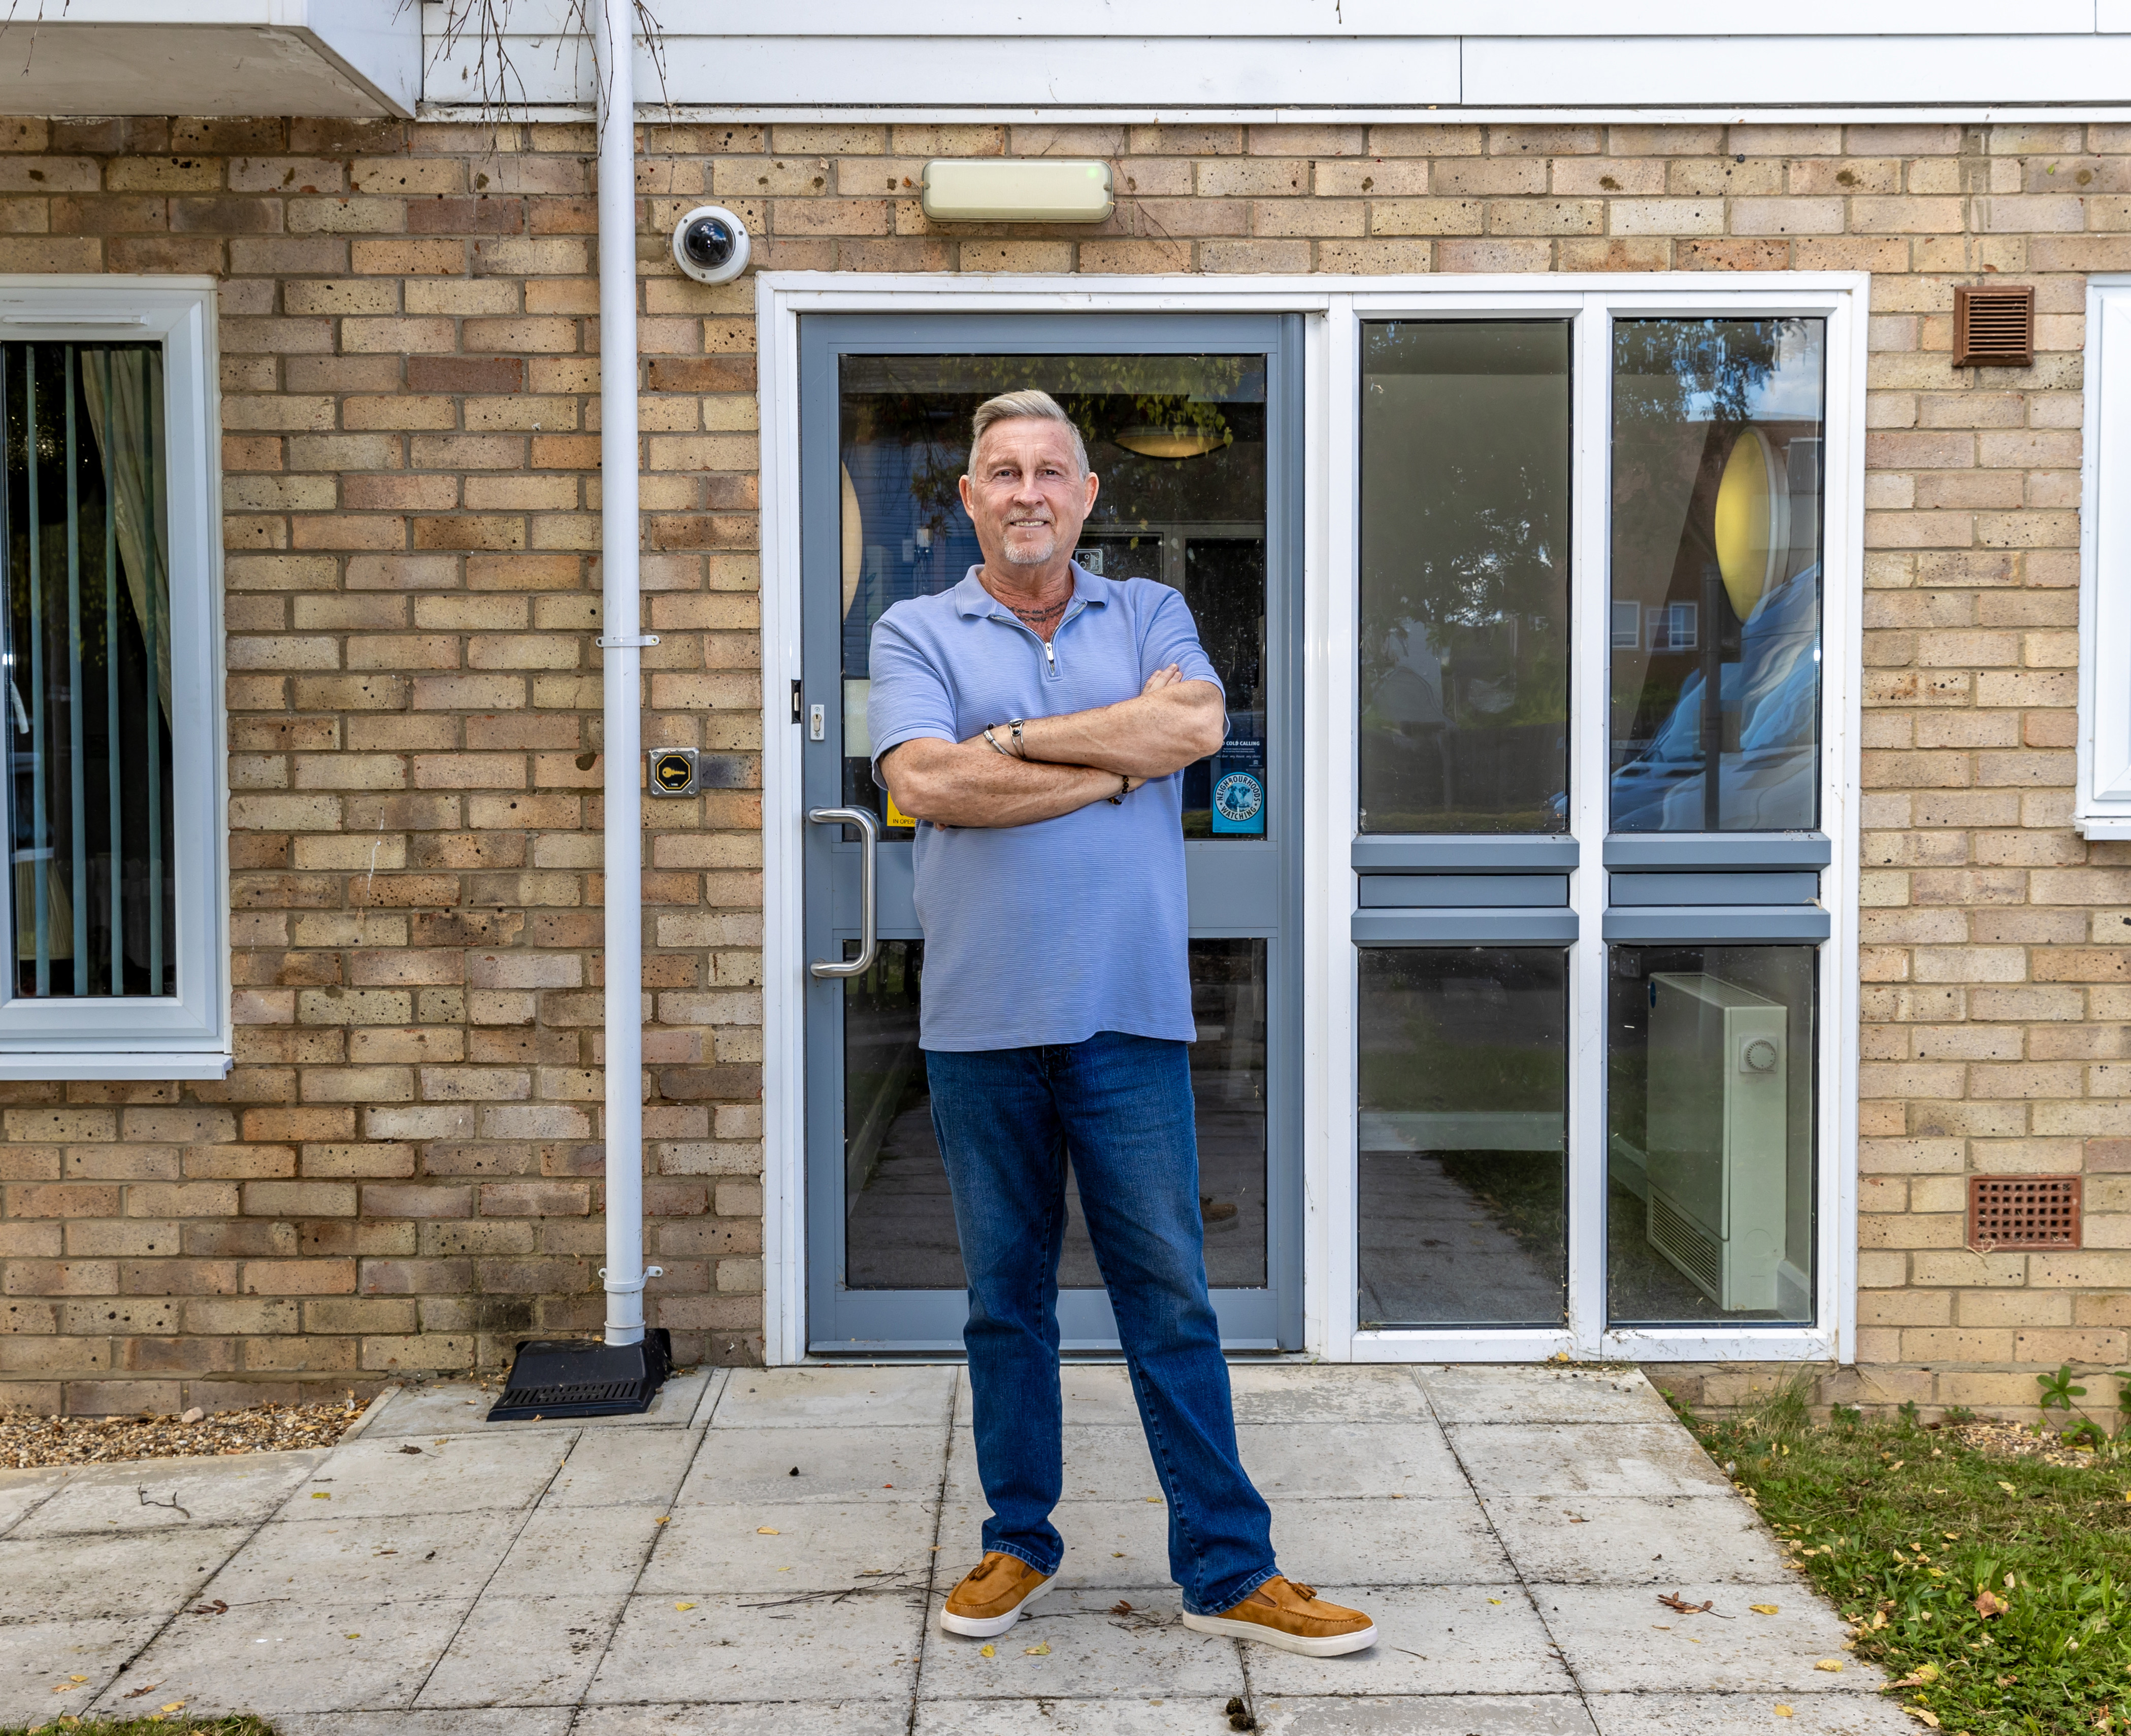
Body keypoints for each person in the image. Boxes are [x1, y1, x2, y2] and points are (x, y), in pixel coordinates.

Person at [868, 389, 1375, 1659]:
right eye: (1001, 471)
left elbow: (1192, 725)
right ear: (969, 498)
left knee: (1170, 1297)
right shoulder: (913, 626)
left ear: (1086, 496)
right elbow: (927, 781)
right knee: (1005, 1302)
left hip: (1127, 1018)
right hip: (977, 1026)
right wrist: (1112, 763)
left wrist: (1024, 742)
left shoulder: (1148, 610)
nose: (1027, 490)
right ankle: (1016, 1542)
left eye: (1051, 470)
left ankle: (1227, 1565)